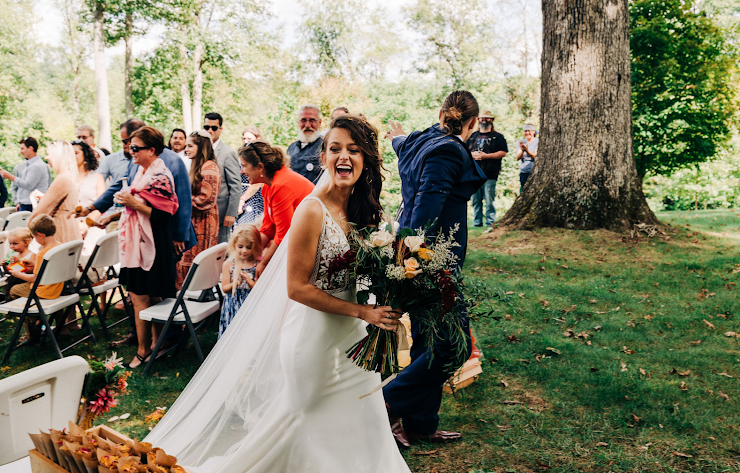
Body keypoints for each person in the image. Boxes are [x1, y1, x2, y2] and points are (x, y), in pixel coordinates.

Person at [144, 114, 411, 473]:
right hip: (315, 341)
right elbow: (296, 288)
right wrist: (363, 312)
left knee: (367, 421)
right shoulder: (312, 210)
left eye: (354, 149)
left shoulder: (364, 209)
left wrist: (395, 284)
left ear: (367, 158)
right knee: (308, 430)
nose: (344, 156)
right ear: (323, 158)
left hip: (356, 339)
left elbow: (368, 272)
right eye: (335, 149)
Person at [384, 90, 487, 448]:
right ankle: (386, 404)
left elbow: (401, 144)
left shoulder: (418, 139)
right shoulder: (447, 152)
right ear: (472, 123)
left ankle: (420, 424)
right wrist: (416, 262)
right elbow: (425, 211)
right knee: (454, 347)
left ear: (441, 114)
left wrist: (396, 136)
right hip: (430, 262)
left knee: (427, 343)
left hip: (417, 256)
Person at [75, 118, 196, 349]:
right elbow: (121, 188)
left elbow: (181, 199)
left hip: (164, 234)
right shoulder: (135, 162)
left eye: (129, 143)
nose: (126, 148)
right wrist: (95, 209)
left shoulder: (171, 161)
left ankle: (168, 336)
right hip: (138, 234)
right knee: (140, 291)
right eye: (125, 143)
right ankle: (140, 334)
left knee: (161, 288)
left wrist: (178, 235)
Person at [115, 126, 180, 369]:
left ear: (151, 150)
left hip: (150, 243)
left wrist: (133, 203)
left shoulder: (160, 176)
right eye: (129, 147)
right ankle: (155, 344)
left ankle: (143, 351)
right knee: (148, 296)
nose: (130, 151)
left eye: (135, 148)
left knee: (140, 296)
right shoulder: (142, 172)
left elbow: (165, 214)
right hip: (140, 241)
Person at [238, 141, 314, 279]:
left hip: (309, 245)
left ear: (260, 167)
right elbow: (268, 228)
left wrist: (263, 263)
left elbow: (284, 234)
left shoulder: (280, 186)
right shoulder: (268, 186)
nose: (241, 171)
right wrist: (249, 257)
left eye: (244, 166)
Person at [176, 131, 221, 289]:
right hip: (193, 220)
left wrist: (180, 200)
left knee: (197, 260)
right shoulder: (197, 165)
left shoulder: (209, 167)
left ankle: (193, 293)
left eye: (190, 146)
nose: (186, 149)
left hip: (203, 222)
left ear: (201, 147)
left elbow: (206, 200)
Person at [7, 215, 62, 341]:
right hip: (58, 287)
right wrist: (34, 264)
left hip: (44, 291)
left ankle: (35, 320)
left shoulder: (43, 253)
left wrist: (19, 274)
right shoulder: (59, 246)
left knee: (14, 290)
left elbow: (36, 279)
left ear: (40, 235)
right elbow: (51, 268)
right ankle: (37, 320)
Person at [32, 141, 81, 243]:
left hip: (61, 232)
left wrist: (29, 229)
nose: (46, 158)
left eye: (48, 154)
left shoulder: (62, 179)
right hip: (71, 229)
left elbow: (40, 212)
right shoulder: (69, 176)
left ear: (57, 156)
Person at [204, 112, 241, 244]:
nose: (210, 131)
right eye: (206, 127)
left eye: (214, 128)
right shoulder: (199, 150)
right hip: (202, 214)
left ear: (221, 129)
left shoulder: (228, 153)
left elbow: (236, 186)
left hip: (221, 213)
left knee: (219, 249)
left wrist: (231, 213)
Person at [466, 110, 508, 226]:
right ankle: (477, 222)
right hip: (474, 174)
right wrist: (472, 155)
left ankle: (490, 222)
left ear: (491, 120)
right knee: (476, 200)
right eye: (482, 118)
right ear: (478, 119)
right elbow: (464, 151)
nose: (484, 120)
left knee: (490, 200)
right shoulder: (472, 136)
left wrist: (486, 156)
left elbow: (503, 152)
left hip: (490, 174)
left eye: (487, 118)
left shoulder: (498, 137)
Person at [219, 224, 260, 338]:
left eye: (249, 247)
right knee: (232, 332)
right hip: (232, 304)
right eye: (240, 246)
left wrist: (250, 282)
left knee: (247, 333)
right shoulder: (228, 264)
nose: (244, 251)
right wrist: (234, 284)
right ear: (234, 245)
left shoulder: (257, 265)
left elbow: (260, 289)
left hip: (250, 303)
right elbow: (224, 288)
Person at [72, 140, 106, 253]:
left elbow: (101, 205)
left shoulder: (97, 177)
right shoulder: (65, 177)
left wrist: (86, 225)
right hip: (71, 226)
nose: (72, 156)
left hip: (92, 225)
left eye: (76, 153)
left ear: (85, 155)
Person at [0, 137, 50, 211]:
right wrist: (18, 202)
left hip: (32, 205)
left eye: (22, 149)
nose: (21, 152)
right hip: (25, 204)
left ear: (30, 148)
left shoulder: (36, 165)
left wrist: (10, 176)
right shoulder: (28, 165)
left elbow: (28, 185)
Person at [235, 127, 265, 227]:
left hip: (252, 197)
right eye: (244, 138)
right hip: (239, 194)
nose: (246, 141)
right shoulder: (241, 155)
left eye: (249, 139)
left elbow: (258, 182)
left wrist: (243, 199)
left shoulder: (259, 157)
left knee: (246, 228)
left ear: (258, 138)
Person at [287, 104, 324, 183]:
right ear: (298, 122)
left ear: (320, 122)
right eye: (303, 120)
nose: (307, 125)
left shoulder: (326, 147)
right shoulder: (292, 148)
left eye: (312, 120)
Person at [1, 227, 35, 302]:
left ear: (26, 243)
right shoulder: (15, 255)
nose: (11, 246)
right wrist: (4, 266)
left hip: (24, 281)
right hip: (14, 280)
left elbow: (32, 270)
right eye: (10, 243)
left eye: (15, 243)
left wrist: (19, 264)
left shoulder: (32, 255)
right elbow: (9, 271)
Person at [98, 122, 136, 187]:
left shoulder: (147, 161)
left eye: (126, 141)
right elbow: (97, 181)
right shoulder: (110, 159)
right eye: (123, 141)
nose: (124, 145)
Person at [516, 123, 538, 191]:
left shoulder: (537, 141)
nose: (527, 133)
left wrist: (527, 150)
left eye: (529, 131)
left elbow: (535, 156)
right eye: (525, 131)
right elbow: (517, 157)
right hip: (524, 171)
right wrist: (522, 151)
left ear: (533, 132)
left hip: (534, 171)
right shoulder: (521, 142)